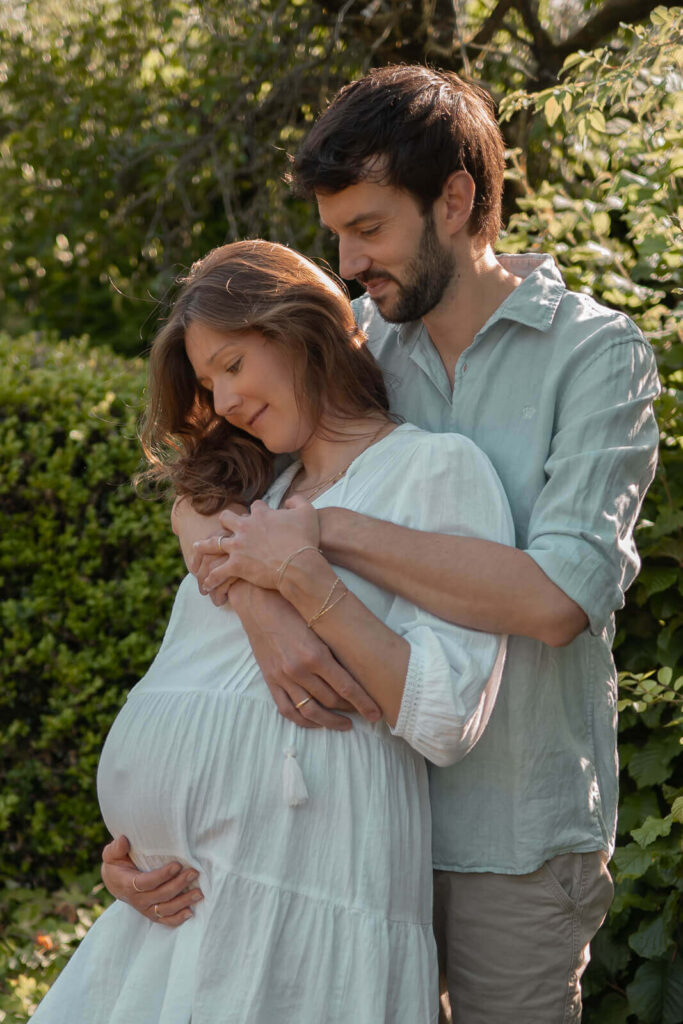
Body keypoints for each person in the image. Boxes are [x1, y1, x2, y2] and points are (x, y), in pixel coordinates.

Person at [104, 66, 661, 1022]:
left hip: (505, 837)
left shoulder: (595, 356)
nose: (349, 259)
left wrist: (320, 538)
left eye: (369, 228)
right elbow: (201, 496)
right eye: (336, 235)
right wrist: (261, 610)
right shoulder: (353, 344)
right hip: (334, 836)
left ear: (454, 199)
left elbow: (556, 600)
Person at [32, 240, 514, 1024]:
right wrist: (138, 850)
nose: (221, 401)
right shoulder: (249, 488)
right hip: (175, 914)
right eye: (206, 383)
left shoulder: (434, 471)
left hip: (306, 902)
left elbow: (446, 715)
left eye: (231, 365)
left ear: (294, 329)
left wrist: (302, 584)